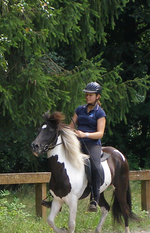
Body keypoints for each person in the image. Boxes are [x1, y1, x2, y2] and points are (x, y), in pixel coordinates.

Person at [42, 81, 106, 212]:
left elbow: (100, 133)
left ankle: (94, 198)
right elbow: (71, 127)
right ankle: (54, 195)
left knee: (95, 166)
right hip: (77, 143)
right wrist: (67, 132)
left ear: (97, 96)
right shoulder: (79, 109)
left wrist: (85, 134)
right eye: (87, 94)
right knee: (60, 163)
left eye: (91, 95)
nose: (88, 97)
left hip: (92, 144)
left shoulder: (100, 113)